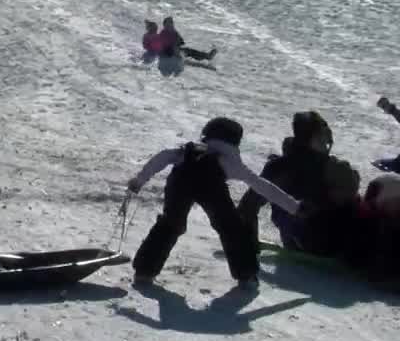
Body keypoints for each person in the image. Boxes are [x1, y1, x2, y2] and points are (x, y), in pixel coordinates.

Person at [126, 117, 301, 290]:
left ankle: (144, 271)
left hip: (180, 181)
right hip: (212, 187)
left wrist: (139, 180)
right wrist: (294, 207)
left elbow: (162, 157)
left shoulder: (189, 151)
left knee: (171, 223)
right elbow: (263, 186)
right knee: (231, 227)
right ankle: (246, 274)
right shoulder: (230, 161)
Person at [236, 111, 361, 258]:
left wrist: (247, 238)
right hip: (324, 242)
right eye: (323, 135)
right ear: (314, 137)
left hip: (297, 237)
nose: (327, 139)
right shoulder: (329, 167)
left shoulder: (278, 165)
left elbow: (248, 206)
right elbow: (249, 205)